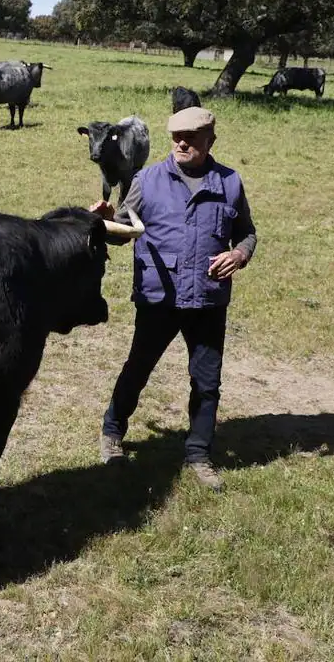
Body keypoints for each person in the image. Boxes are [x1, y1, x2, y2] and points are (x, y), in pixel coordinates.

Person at [89, 106, 257, 491]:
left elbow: (247, 233)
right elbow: (124, 230)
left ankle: (198, 454)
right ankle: (112, 433)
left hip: (207, 301)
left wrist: (238, 255)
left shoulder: (230, 183)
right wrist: (107, 218)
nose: (181, 144)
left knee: (207, 382)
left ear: (209, 141)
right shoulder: (146, 180)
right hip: (158, 298)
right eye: (176, 137)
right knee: (139, 367)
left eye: (191, 138)